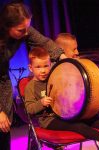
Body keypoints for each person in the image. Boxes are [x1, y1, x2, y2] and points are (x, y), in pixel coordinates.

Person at [24, 47, 99, 150]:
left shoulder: (54, 76)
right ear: (30, 68)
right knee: (77, 125)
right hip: (49, 120)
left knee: (92, 118)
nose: (43, 71)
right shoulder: (30, 87)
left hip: (64, 113)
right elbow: (29, 109)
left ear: (50, 65)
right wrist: (41, 103)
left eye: (46, 66)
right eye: (38, 67)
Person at [0, 2, 66, 150]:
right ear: (6, 26)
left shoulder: (24, 31)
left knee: (4, 130)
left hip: (2, 82)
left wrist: (63, 58)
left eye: (27, 28)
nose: (26, 33)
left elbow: (44, 42)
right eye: (21, 30)